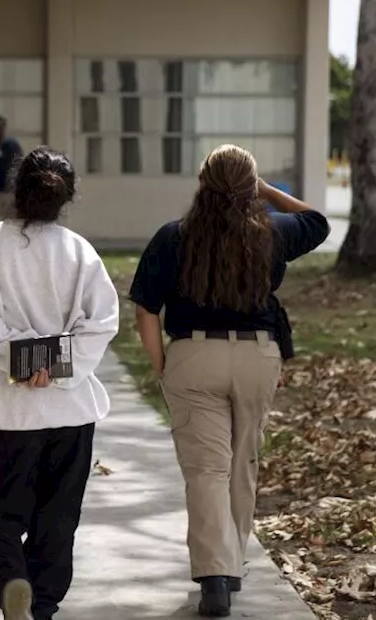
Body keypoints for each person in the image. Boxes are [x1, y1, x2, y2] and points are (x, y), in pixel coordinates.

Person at [129, 145, 329, 618]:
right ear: (249, 188)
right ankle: (231, 564)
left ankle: (214, 576)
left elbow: (144, 309)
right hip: (258, 357)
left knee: (207, 470)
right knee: (242, 463)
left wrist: (162, 365)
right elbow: (317, 221)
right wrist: (262, 189)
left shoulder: (172, 237)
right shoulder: (274, 232)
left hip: (194, 355)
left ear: (203, 183)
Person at [0, 147, 120, 620]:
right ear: (66, 198)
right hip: (69, 414)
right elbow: (102, 322)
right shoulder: (79, 251)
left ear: (15, 188)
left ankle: (10, 581)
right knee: (57, 521)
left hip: (4, 413)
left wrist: (21, 357)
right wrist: (57, 364)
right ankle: (40, 606)